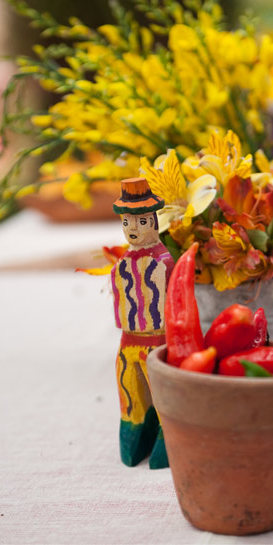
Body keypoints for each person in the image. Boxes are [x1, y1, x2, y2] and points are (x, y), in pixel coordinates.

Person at [109, 177, 174, 468]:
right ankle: (134, 429)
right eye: (126, 222)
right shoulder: (122, 264)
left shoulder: (163, 263)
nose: (132, 229)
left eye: (141, 221)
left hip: (159, 342)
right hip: (128, 340)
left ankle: (167, 433)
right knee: (128, 389)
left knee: (161, 393)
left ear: (155, 222)